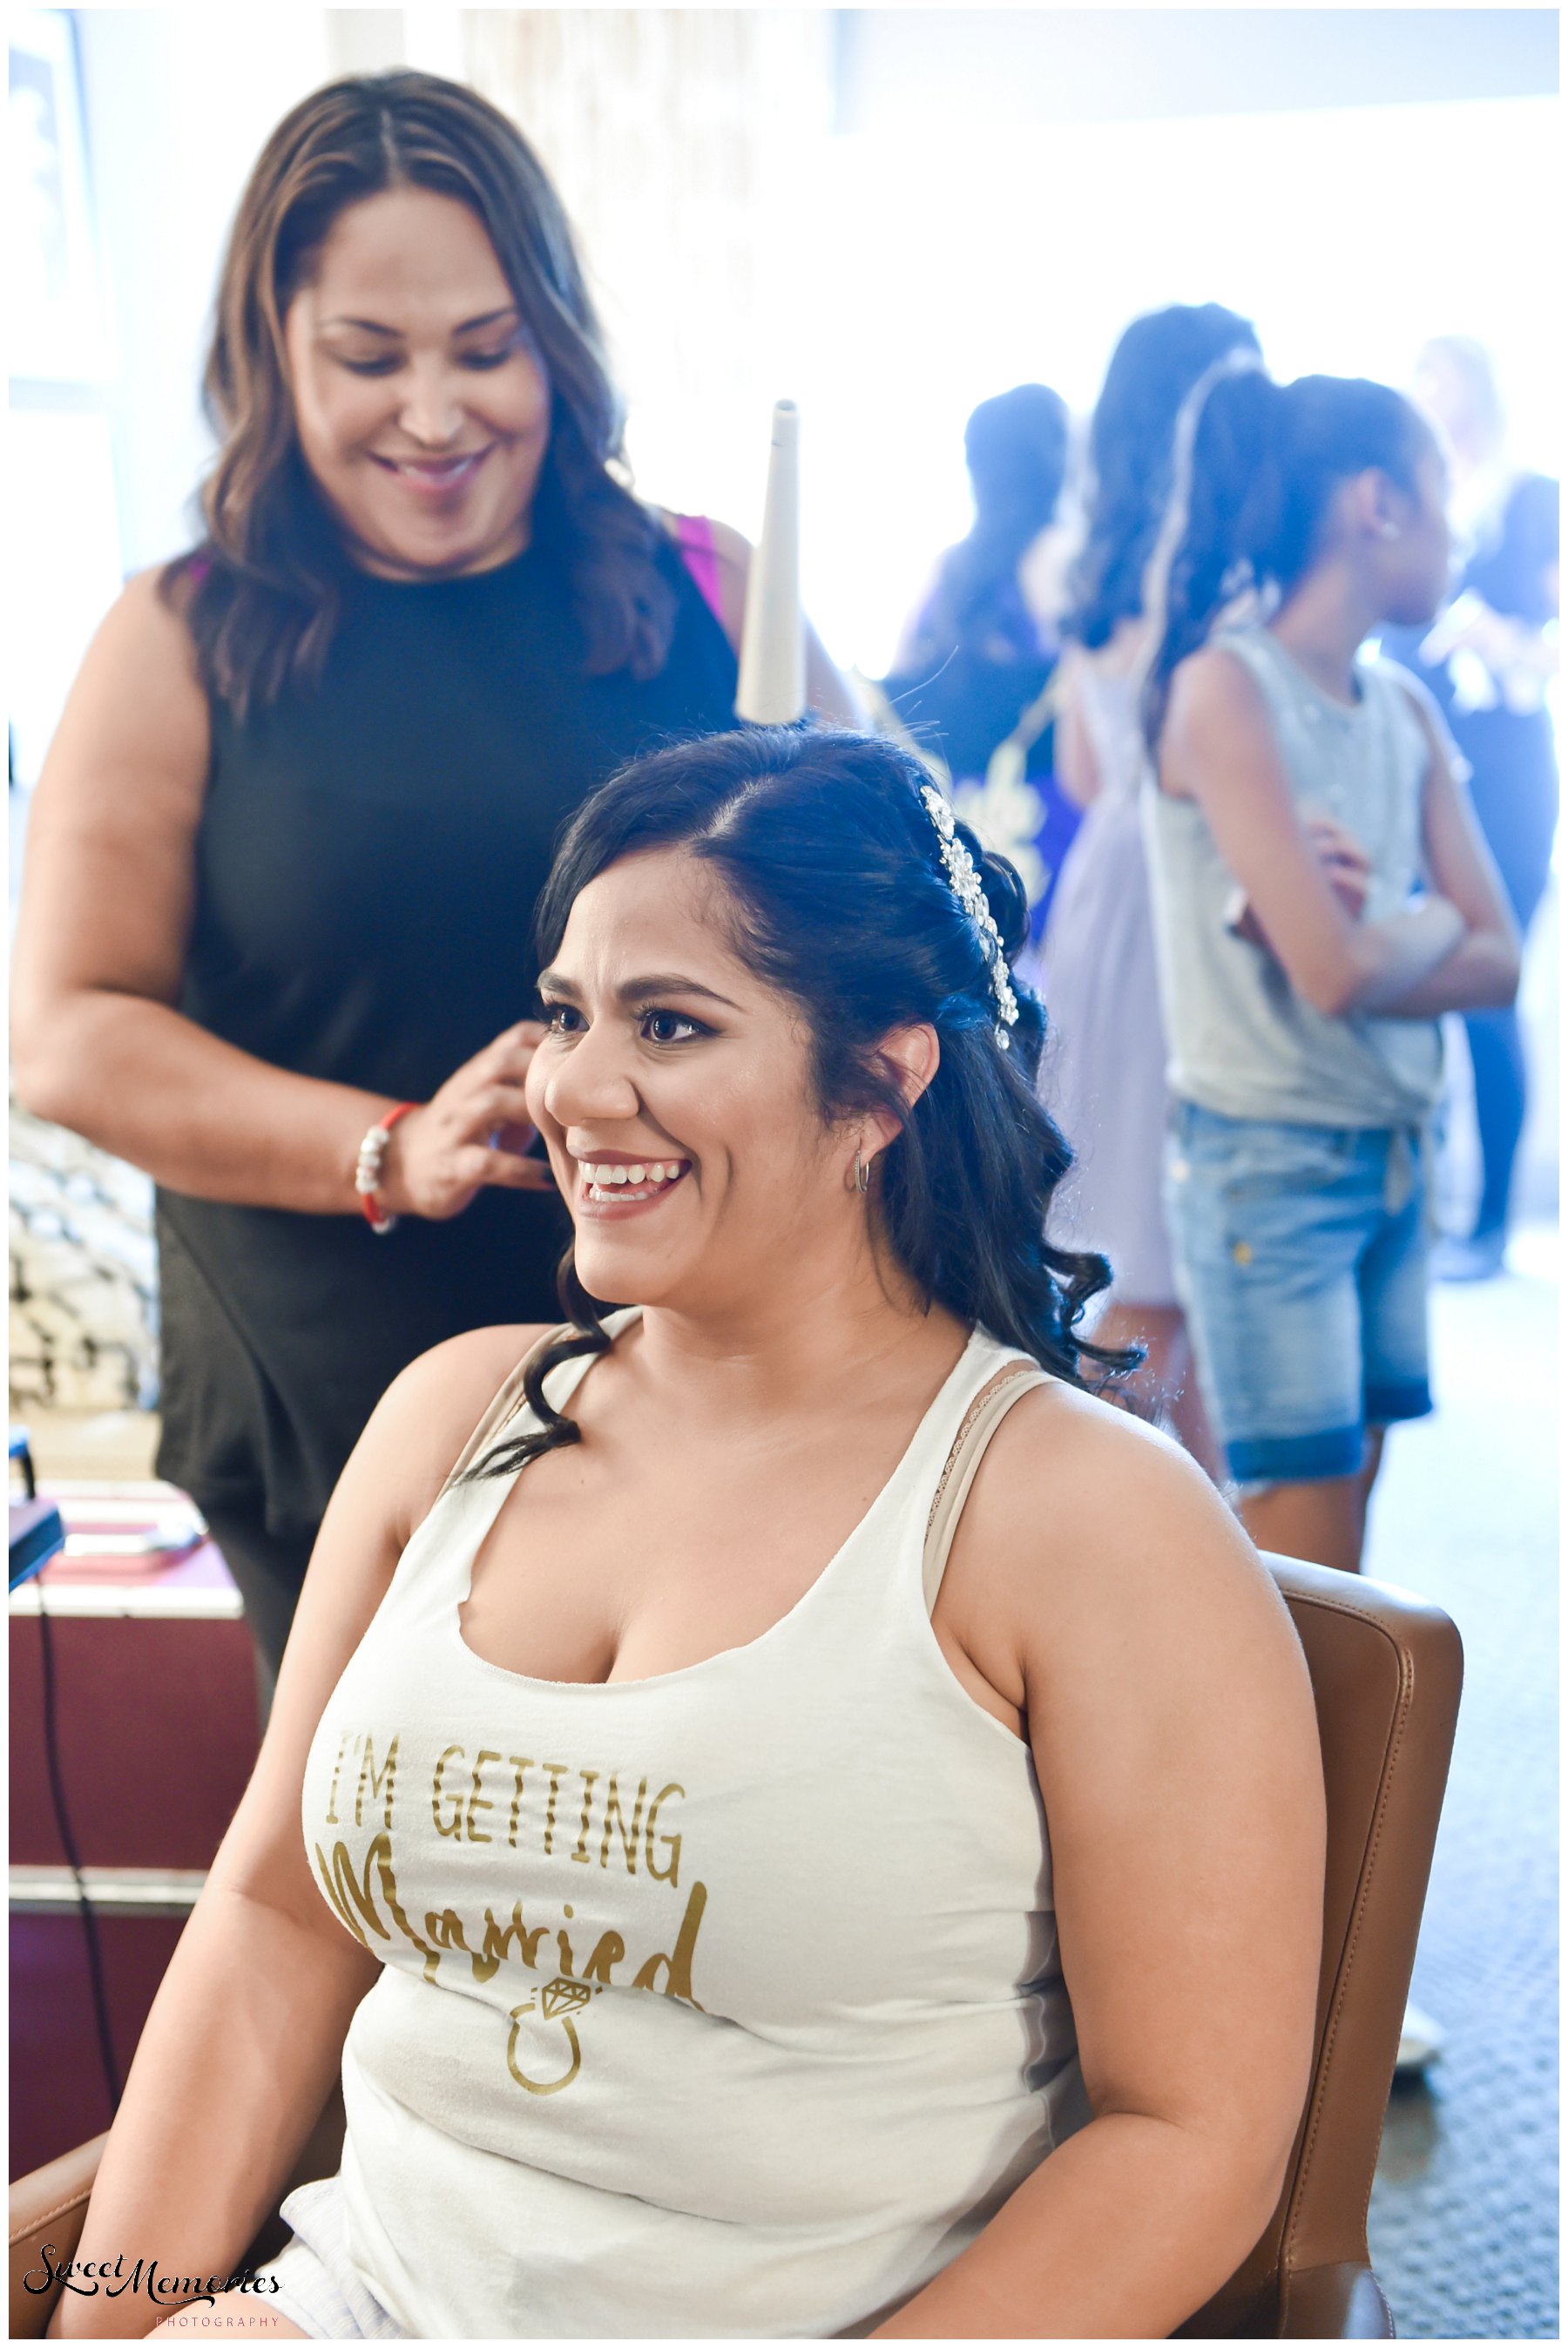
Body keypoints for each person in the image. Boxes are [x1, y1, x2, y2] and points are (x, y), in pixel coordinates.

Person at [61, 727, 1325, 2342]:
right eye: (568, 1013)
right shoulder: (455, 1416)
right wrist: (114, 2316)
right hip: (358, 2303)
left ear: (884, 1075)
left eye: (671, 1023)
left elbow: (1191, 2137)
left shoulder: (1090, 1523)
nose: (576, 1088)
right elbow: (274, 1917)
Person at [10, 71, 857, 1696]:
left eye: (485, 349)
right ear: (275, 355)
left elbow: (879, 920)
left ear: (556, 339)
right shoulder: (182, 639)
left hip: (707, 1363)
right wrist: (388, 1149)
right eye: (369, 358)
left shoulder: (706, 588)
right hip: (333, 1375)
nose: (435, 411)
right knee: (375, 1880)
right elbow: (67, 1034)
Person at [1142, 360, 1520, 1578]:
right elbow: (1331, 974)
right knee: (1311, 1572)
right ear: (1377, 502)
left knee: (1344, 1554)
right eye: (1442, 494)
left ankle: (1345, 1778)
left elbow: (1501, 955)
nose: (1460, 531)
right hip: (1274, 1167)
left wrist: (1384, 924)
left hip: (1394, 1151)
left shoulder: (1403, 707)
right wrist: (1409, 934)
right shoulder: (1223, 689)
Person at [1037, 304, 1260, 1471]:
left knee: (1118, 1231)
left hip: (1100, 897)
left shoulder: (1092, 556)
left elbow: (1083, 768)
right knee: (1182, 1256)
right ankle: (1193, 1517)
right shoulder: (1226, 568)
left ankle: (1132, 1492)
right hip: (1190, 893)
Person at [1382, 336, 1559, 1280]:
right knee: (1415, 983)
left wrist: (1499, 637)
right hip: (1409, 772)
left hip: (1508, 780)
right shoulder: (1405, 511)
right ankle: (1426, 1215)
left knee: (1493, 987)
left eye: (1441, 382)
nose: (1430, 401)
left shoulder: (1532, 501)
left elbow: (1551, 649)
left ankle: (1490, 1222)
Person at [879, 384, 1081, 935]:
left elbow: (893, 696)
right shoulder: (1066, 560)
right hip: (1048, 816)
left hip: (956, 816)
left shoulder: (947, 572)